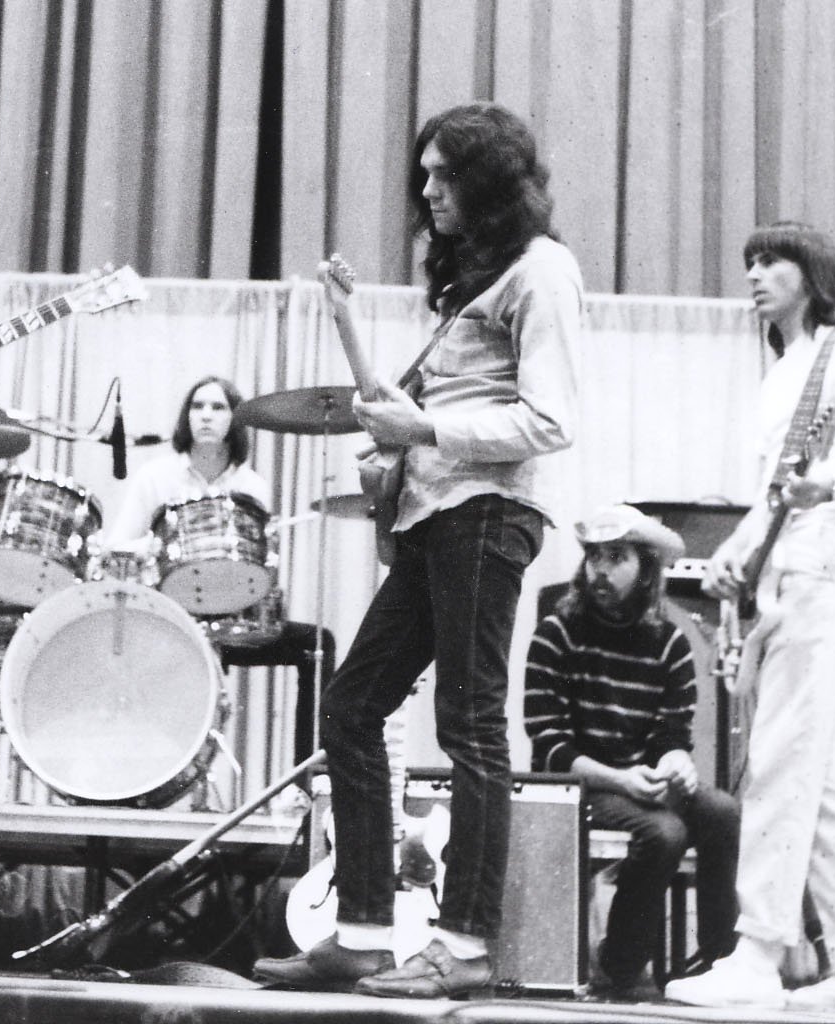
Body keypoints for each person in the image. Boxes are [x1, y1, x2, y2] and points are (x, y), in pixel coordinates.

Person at [253, 102, 583, 998]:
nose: (426, 191)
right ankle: (362, 930)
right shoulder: (473, 285)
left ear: (487, 181)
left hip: (490, 510)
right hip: (440, 511)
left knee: (470, 722)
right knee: (355, 708)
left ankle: (467, 946)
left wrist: (424, 425)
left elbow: (551, 420)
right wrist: (383, 405)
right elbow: (427, 416)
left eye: (443, 175)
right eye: (424, 174)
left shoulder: (542, 271)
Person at [664, 222, 835, 1013]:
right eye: (749, 264)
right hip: (787, 576)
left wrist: (826, 485)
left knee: (777, 762)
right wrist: (737, 549)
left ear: (813, 271)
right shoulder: (781, 377)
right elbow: (774, 497)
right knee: (821, 775)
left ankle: (759, 953)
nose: (755, 275)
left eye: (771, 261)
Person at [523, 503, 740, 1000]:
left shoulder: (669, 643)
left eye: (616, 557)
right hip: (578, 785)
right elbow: (549, 743)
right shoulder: (557, 634)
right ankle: (619, 967)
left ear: (646, 570)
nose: (600, 569)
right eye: (594, 557)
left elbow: (671, 734)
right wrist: (620, 779)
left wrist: (675, 763)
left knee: (722, 811)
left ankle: (718, 960)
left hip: (640, 780)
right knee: (664, 832)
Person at [109, 376, 334, 771]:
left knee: (318, 644)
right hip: (173, 621)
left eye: (218, 407)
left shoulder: (252, 486)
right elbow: (117, 545)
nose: (206, 415)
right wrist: (157, 549)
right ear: (186, 417)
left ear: (235, 420)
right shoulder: (156, 477)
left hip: (233, 621)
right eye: (197, 406)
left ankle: (303, 782)